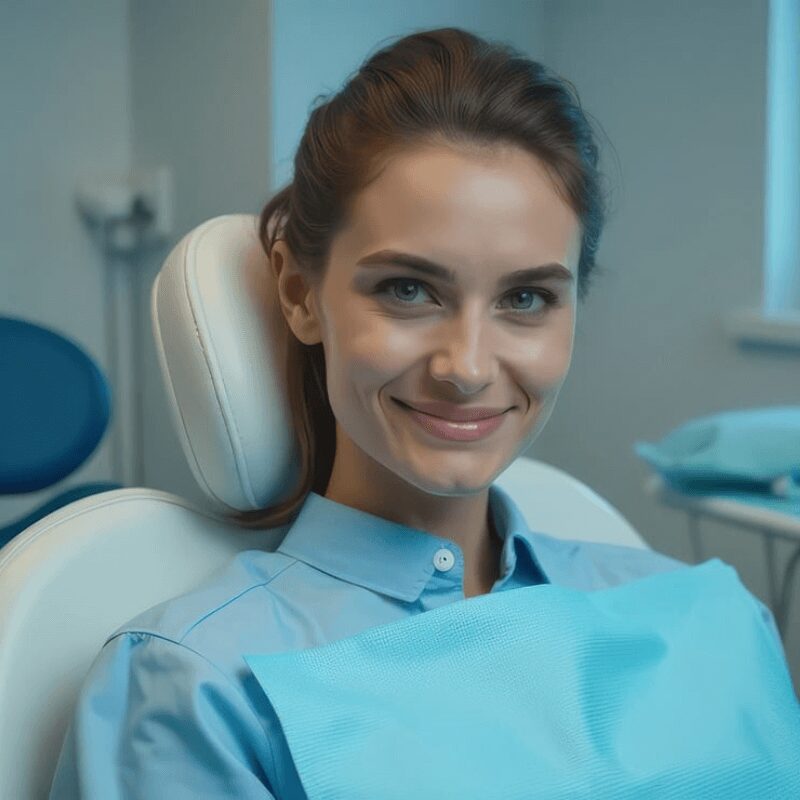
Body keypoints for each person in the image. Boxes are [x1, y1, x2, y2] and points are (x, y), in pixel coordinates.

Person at [50, 25, 755, 799]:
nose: (468, 367)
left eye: (526, 298)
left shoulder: (694, 612)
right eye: (408, 290)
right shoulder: (198, 687)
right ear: (299, 293)